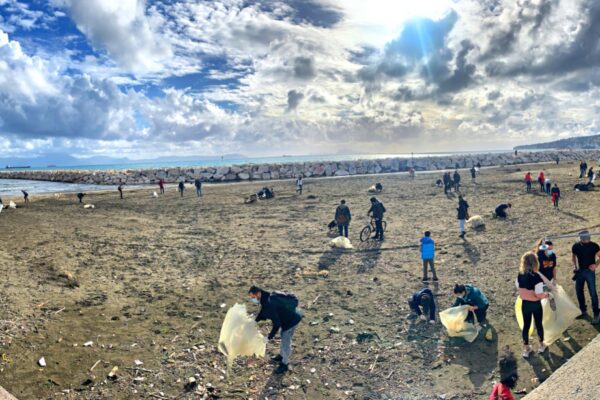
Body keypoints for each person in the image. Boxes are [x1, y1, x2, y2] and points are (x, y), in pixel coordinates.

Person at [249, 286, 303, 374]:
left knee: (286, 341)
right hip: (289, 317)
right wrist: (255, 320)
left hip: (291, 321)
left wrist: (269, 337)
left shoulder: (269, 303)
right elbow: (263, 311)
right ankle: (281, 356)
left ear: (258, 293)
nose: (252, 299)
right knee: (283, 336)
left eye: (253, 297)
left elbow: (276, 324)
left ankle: (284, 364)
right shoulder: (267, 298)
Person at [517, 252, 551, 357]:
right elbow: (539, 294)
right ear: (535, 262)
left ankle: (526, 349)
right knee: (538, 324)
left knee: (526, 326)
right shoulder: (536, 277)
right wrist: (547, 295)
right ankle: (541, 345)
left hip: (525, 304)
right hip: (535, 305)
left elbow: (519, 289)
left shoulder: (520, 275)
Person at [572, 231, 600, 324]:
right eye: (585, 239)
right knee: (579, 291)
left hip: (589, 272)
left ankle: (596, 314)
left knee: (593, 292)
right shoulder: (576, 246)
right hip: (580, 272)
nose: (587, 240)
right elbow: (574, 256)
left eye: (588, 238)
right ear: (581, 239)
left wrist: (595, 265)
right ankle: (582, 310)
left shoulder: (594, 246)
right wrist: (574, 266)